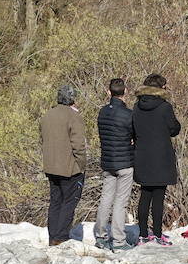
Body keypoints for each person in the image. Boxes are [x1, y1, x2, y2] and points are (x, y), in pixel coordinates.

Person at [132, 74, 180, 246]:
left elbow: (133, 129)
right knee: (159, 197)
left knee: (145, 196)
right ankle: (158, 235)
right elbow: (174, 129)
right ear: (161, 88)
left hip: (142, 156)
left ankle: (143, 235)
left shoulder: (137, 107)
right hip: (161, 157)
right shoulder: (165, 107)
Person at [40, 85, 87, 246]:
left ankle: (53, 235)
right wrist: (81, 165)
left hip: (51, 166)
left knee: (55, 201)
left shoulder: (47, 115)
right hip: (69, 167)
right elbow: (79, 145)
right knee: (69, 201)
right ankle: (61, 236)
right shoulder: (74, 117)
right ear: (72, 98)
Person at [94, 78, 135, 251]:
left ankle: (101, 236)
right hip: (125, 162)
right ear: (125, 92)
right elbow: (134, 136)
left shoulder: (102, 112)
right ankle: (118, 240)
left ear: (109, 92)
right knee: (120, 202)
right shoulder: (129, 114)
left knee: (106, 199)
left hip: (108, 161)